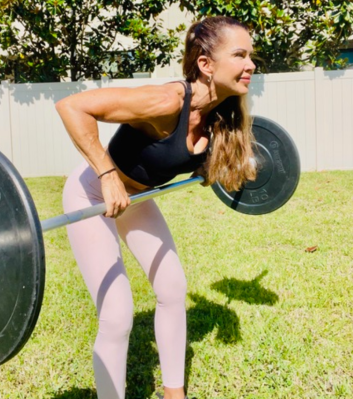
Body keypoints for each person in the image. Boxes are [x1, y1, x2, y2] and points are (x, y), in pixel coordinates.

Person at [56, 15, 256, 399]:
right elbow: (72, 106)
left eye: (251, 56)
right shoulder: (167, 101)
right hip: (93, 194)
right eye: (240, 55)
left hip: (136, 198)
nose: (251, 65)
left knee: (172, 286)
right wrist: (107, 173)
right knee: (117, 313)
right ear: (205, 64)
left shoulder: (219, 119)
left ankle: (173, 393)